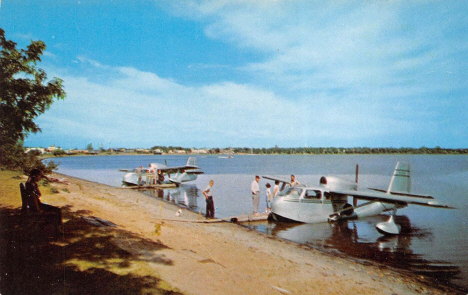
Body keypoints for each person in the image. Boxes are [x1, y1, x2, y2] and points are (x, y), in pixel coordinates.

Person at [25, 168, 63, 233]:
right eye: (40, 175)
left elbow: (38, 195)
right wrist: (38, 210)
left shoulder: (30, 183)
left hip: (34, 205)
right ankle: (58, 229)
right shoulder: (32, 185)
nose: (41, 177)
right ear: (36, 176)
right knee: (57, 210)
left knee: (54, 209)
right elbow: (34, 197)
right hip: (36, 206)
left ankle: (54, 227)